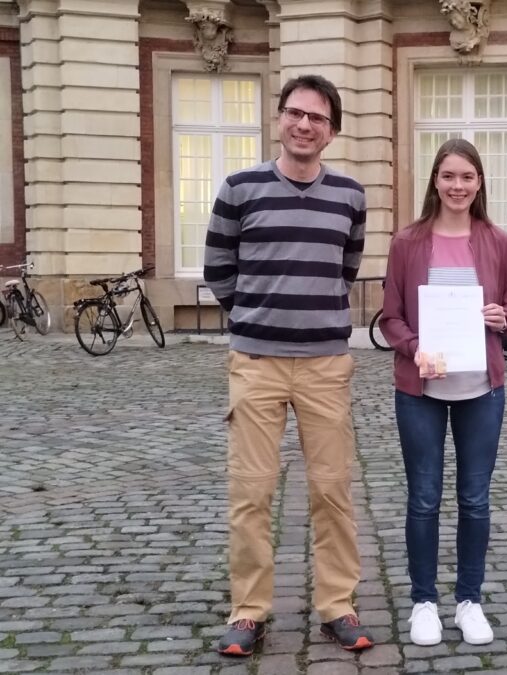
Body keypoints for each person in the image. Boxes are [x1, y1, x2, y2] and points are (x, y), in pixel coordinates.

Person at [204, 75, 372, 656]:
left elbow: (344, 270)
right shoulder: (239, 188)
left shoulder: (350, 195)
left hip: (326, 364)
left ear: (331, 132)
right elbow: (219, 269)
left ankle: (337, 605)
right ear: (279, 118)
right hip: (256, 363)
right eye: (296, 114)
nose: (305, 126)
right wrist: (255, 314)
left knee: (333, 490)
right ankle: (248, 612)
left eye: (318, 119)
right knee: (251, 492)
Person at [379, 138, 507, 647]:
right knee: (423, 499)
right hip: (420, 388)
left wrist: (503, 317)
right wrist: (413, 346)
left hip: (481, 388)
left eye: (467, 177)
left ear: (479, 182)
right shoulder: (408, 242)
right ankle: (423, 601)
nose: (457, 186)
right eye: (448, 176)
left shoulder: (499, 241)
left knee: (475, 500)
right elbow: (389, 316)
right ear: (435, 181)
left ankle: (468, 599)